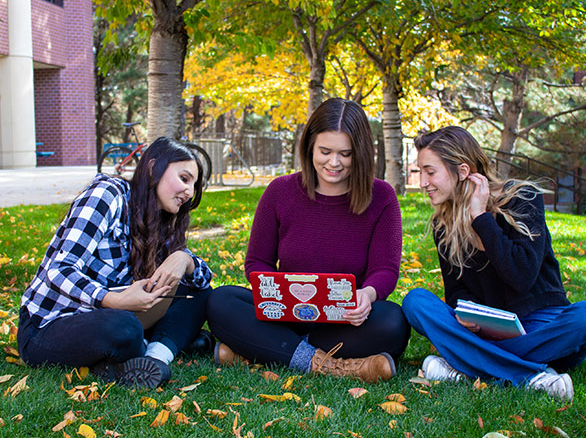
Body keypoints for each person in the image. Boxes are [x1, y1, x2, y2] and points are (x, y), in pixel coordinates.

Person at [206, 98, 410, 383]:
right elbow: (257, 261)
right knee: (221, 300)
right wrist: (271, 290)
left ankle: (261, 350)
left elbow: (385, 270)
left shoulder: (382, 197)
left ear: (361, 154)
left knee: (393, 323)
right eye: (325, 151)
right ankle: (322, 364)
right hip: (282, 313)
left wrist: (369, 294)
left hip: (343, 321)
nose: (334, 163)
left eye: (346, 154)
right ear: (309, 146)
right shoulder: (280, 191)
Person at [402, 125, 586, 401]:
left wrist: (481, 219)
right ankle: (532, 377)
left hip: (541, 326)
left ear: (462, 171)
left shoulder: (522, 198)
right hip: (486, 332)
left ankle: (466, 364)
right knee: (415, 301)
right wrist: (469, 313)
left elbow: (521, 276)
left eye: (430, 172)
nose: (423, 182)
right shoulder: (444, 224)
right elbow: (456, 292)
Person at [18, 137, 214, 388]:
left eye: (194, 184)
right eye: (184, 179)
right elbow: (59, 269)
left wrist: (184, 259)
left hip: (110, 316)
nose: (189, 192)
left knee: (197, 289)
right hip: (48, 325)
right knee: (124, 328)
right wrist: (113, 300)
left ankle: (155, 359)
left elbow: (203, 279)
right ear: (154, 168)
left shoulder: (160, 221)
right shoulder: (107, 194)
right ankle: (163, 344)